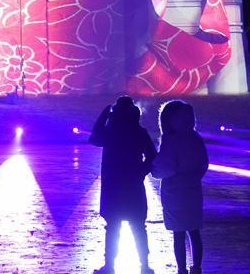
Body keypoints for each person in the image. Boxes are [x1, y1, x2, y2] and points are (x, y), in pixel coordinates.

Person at [89, 97, 156, 274]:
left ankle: (110, 266)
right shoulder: (139, 132)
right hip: (133, 186)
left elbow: (94, 137)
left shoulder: (110, 133)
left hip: (112, 187)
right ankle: (144, 265)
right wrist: (141, 171)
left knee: (112, 228)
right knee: (138, 227)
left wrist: (104, 113)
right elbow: (152, 157)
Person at [151, 101, 208, 274]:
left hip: (174, 192)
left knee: (178, 234)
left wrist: (155, 169)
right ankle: (196, 267)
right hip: (192, 190)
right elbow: (203, 163)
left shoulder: (170, 139)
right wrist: (194, 177)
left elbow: (166, 167)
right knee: (194, 231)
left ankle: (181, 269)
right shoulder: (196, 137)